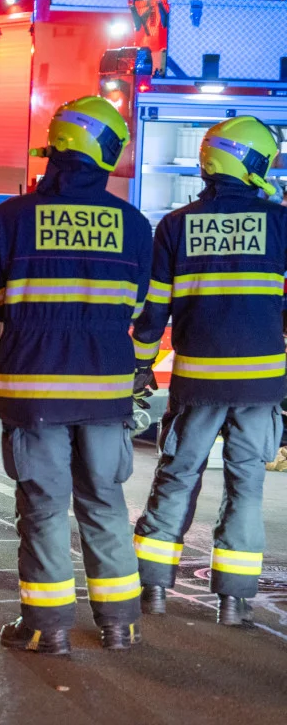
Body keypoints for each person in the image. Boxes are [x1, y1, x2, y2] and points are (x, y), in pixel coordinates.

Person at [0, 96, 153, 654]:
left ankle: (47, 630)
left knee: (43, 506)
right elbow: (136, 303)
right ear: (105, 152)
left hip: (34, 387)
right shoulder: (133, 225)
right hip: (105, 391)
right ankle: (120, 625)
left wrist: (26, 310)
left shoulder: (13, 217)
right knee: (104, 501)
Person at [131, 116, 287, 626]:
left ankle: (152, 590)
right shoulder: (280, 222)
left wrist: (140, 366)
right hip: (261, 385)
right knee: (247, 486)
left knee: (177, 479)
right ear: (252, 164)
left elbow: (155, 311)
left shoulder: (176, 225)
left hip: (198, 384)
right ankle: (234, 602)